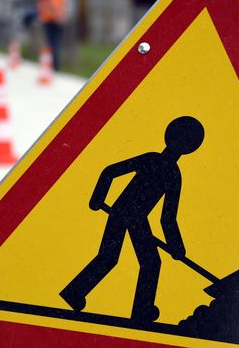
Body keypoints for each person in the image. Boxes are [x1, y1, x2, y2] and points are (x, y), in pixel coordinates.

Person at [60, 116, 205, 324]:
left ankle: (75, 292)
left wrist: (176, 247)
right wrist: (176, 247)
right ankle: (141, 311)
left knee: (112, 258)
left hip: (127, 214)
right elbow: (167, 218)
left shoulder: (158, 164)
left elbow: (166, 217)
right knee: (148, 262)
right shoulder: (170, 171)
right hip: (130, 215)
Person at [37, 0, 69, 70]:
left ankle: (53, 65)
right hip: (60, 18)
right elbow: (63, 3)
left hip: (50, 18)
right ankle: (56, 64)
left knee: (52, 42)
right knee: (57, 42)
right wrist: (61, 16)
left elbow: (49, 2)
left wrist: (54, 15)